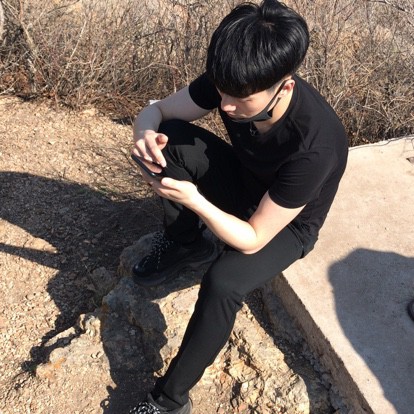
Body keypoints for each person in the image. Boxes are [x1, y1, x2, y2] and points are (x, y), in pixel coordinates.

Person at [128, 1, 348, 413]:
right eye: (222, 90)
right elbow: (158, 111)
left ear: (285, 87)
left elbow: (253, 237)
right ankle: (186, 243)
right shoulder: (236, 78)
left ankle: (168, 399)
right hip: (246, 181)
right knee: (171, 139)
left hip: (287, 226)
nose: (226, 105)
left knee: (224, 282)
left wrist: (195, 200)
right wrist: (145, 136)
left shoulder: (315, 146)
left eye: (241, 98)